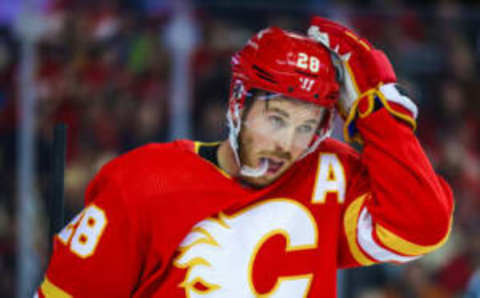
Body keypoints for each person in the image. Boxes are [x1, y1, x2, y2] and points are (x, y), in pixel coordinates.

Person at [36, 17, 454, 298]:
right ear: (238, 103)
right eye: (276, 118)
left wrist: (376, 108)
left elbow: (422, 227)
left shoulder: (328, 174)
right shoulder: (142, 182)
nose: (288, 144)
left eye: (307, 127)